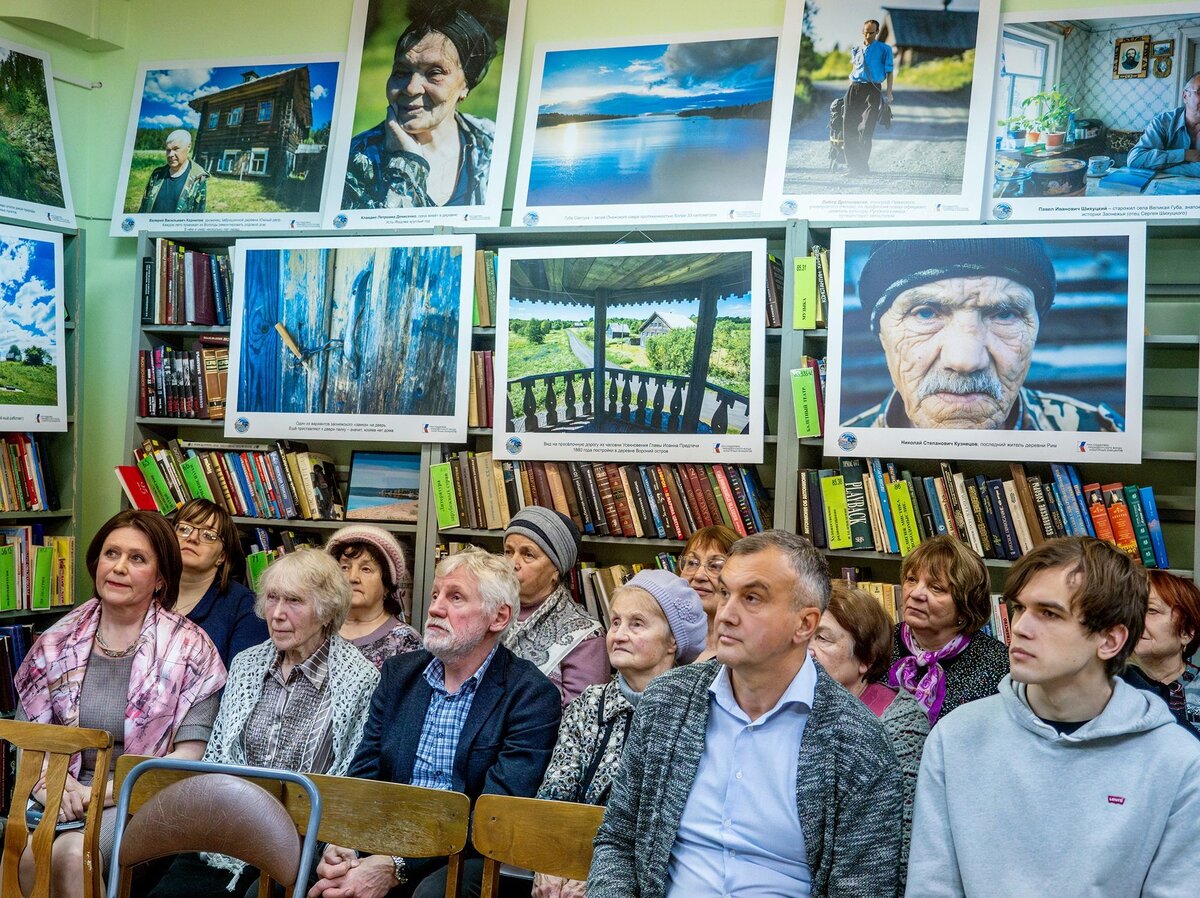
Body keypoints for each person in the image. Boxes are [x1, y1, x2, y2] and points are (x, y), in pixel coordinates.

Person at [588, 530, 903, 898]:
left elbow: (862, 890)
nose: (725, 614)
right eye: (725, 593)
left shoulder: (858, 742)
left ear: (805, 624)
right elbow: (618, 840)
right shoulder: (666, 702)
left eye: (752, 598)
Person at [906, 537, 1200, 897]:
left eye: (1049, 613)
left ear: (1110, 640)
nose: (1022, 628)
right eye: (1019, 608)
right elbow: (932, 886)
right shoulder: (956, 737)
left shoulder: (1178, 762)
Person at [308, 548, 561, 898]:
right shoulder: (400, 675)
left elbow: (494, 817)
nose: (435, 608)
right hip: (383, 836)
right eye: (436, 595)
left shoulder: (530, 695)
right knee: (295, 874)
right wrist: (345, 844)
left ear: (499, 617)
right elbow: (364, 775)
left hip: (463, 857)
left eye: (455, 597)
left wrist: (396, 865)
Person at [13, 510, 226, 898]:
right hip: (57, 790)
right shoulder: (55, 642)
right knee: (27, 854)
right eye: (111, 554)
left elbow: (191, 756)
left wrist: (99, 794)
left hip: (139, 797)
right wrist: (54, 789)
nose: (119, 567)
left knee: (73, 854)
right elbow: (32, 741)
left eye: (137, 558)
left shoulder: (192, 649)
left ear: (161, 579)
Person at [146, 549, 380, 898]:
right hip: (229, 830)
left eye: (294, 601)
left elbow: (353, 782)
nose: (278, 614)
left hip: (306, 840)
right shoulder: (246, 665)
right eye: (272, 599)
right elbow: (218, 756)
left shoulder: (360, 679)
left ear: (327, 610)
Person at [533, 570, 707, 898]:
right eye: (615, 622)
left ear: (673, 642)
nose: (619, 634)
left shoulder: (693, 717)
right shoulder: (590, 703)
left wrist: (600, 878)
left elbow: (670, 830)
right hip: (566, 866)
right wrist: (551, 865)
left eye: (637, 623)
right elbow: (555, 796)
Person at [845, 236, 1126, 432]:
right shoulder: (841, 451)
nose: (965, 360)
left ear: (1035, 330)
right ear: (882, 334)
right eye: (926, 313)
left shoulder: (1099, 436)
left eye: (1005, 314)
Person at [810, 584, 930, 893]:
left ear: (866, 659)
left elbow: (902, 844)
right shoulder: (792, 705)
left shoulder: (898, 724)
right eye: (805, 634)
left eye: (822, 638)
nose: (807, 649)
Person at [342, 5, 498, 209]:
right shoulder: (356, 159)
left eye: (434, 73)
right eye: (400, 72)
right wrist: (406, 161)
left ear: (465, 85)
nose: (411, 88)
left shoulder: (491, 141)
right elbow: (391, 237)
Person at [889, 535, 1010, 724]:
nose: (915, 593)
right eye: (911, 580)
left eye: (936, 587)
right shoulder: (878, 643)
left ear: (965, 607)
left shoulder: (998, 664)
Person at [501, 506, 608, 706]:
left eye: (528, 555)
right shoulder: (484, 610)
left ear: (556, 571)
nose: (513, 563)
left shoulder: (586, 638)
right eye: (508, 551)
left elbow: (580, 722)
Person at [172, 498, 266, 668]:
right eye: (184, 528)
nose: (192, 537)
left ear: (222, 557)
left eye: (209, 535)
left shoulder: (245, 606)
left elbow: (241, 686)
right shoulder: (147, 590)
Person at [325, 524, 422, 668]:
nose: (353, 578)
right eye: (344, 567)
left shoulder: (406, 642)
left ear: (387, 585)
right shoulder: (318, 628)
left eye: (366, 569)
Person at [1123, 568, 1200, 737]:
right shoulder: (1110, 686)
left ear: (1186, 632)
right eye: (1133, 609)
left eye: (1152, 611)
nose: (1136, 619)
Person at [678, 524, 739, 662]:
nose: (699, 575)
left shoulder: (745, 655)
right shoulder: (663, 642)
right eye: (692, 563)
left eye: (716, 566)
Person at [842, 19, 894, 176]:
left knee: (866, 128)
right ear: (862, 31)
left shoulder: (885, 49)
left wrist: (889, 92)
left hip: (873, 90)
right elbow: (854, 68)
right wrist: (851, 85)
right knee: (848, 127)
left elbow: (890, 71)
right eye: (866, 31)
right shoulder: (856, 49)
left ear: (877, 32)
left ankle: (862, 166)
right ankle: (852, 167)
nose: (868, 34)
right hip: (854, 89)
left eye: (871, 32)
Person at [1127, 71, 1200, 179]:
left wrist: (1160, 167)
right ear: (1185, 96)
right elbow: (1135, 160)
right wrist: (1185, 155)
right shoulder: (1163, 122)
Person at [137, 128, 208, 214]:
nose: (170, 154)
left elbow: (199, 214)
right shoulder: (157, 175)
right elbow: (144, 207)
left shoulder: (199, 178)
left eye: (176, 149)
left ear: (188, 147)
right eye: (168, 150)